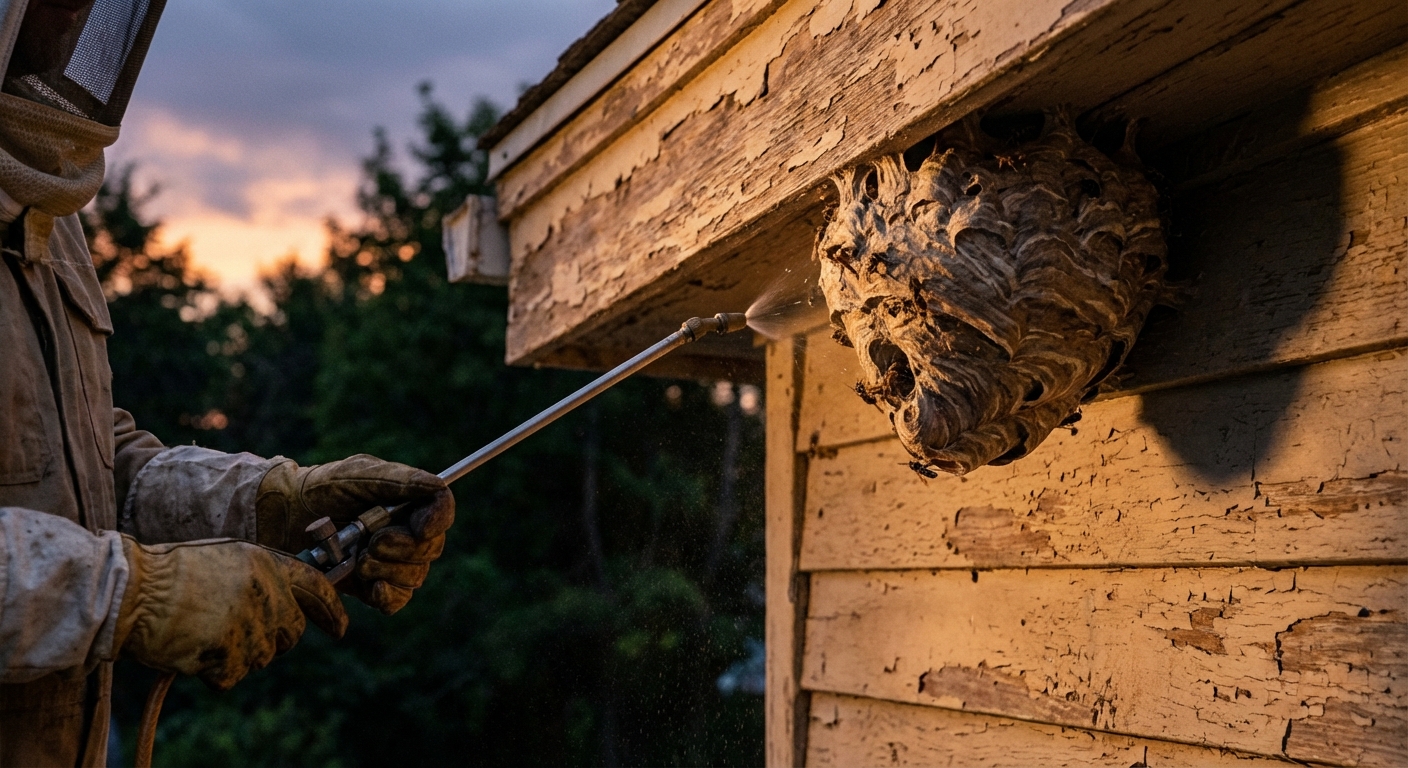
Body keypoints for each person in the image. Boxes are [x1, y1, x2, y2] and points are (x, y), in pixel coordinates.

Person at [0, 2, 455, 764]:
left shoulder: (48, 215)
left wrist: (270, 503)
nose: (75, 16)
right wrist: (134, 593)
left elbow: (88, 467)